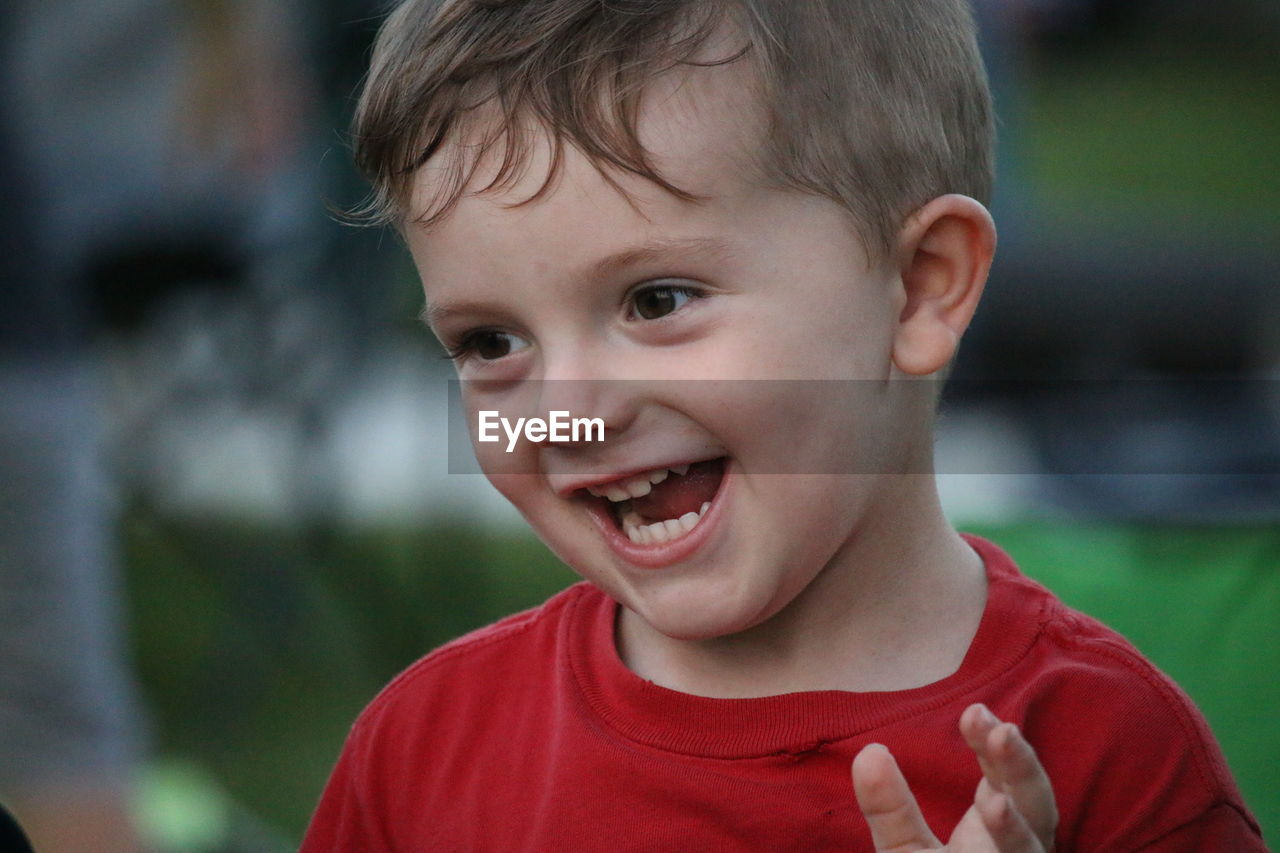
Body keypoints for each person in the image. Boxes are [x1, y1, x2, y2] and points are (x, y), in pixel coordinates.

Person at [301, 1, 1266, 850]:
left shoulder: (1105, 755)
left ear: (921, 288)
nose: (564, 415)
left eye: (656, 299)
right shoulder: (425, 751)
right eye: (489, 340)